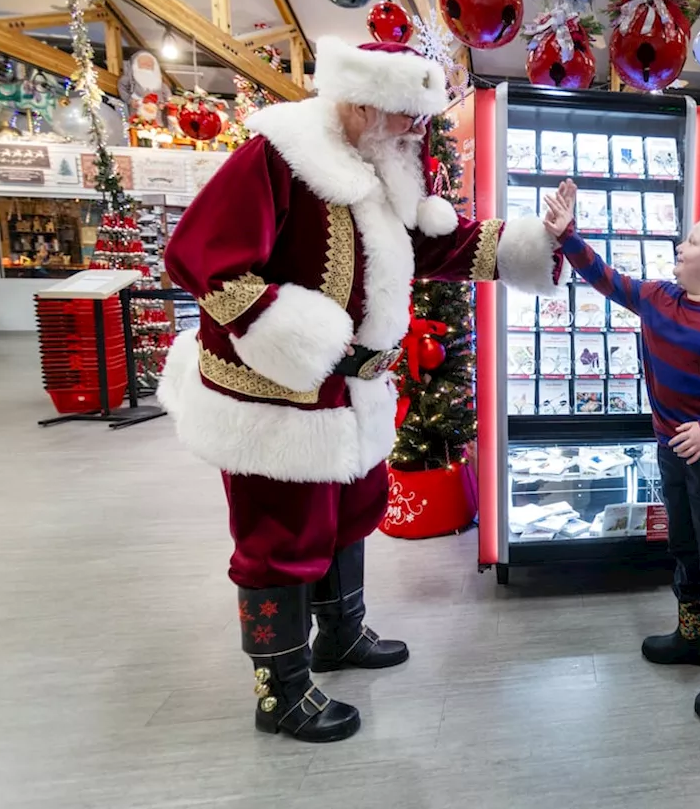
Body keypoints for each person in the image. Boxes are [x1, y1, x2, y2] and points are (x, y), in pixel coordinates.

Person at [158, 37, 567, 743]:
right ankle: (279, 690)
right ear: (360, 100)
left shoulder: (380, 166)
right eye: (407, 115)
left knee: (348, 513)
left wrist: (535, 240)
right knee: (276, 539)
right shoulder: (276, 156)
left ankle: (339, 634)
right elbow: (201, 259)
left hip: (352, 393)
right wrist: (299, 336)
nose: (417, 131)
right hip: (273, 397)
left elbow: (437, 245)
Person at [541, 180, 700, 723]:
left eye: (693, 242)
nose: (681, 246)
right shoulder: (658, 298)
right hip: (673, 450)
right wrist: (568, 236)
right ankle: (694, 639)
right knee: (685, 545)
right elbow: (606, 279)